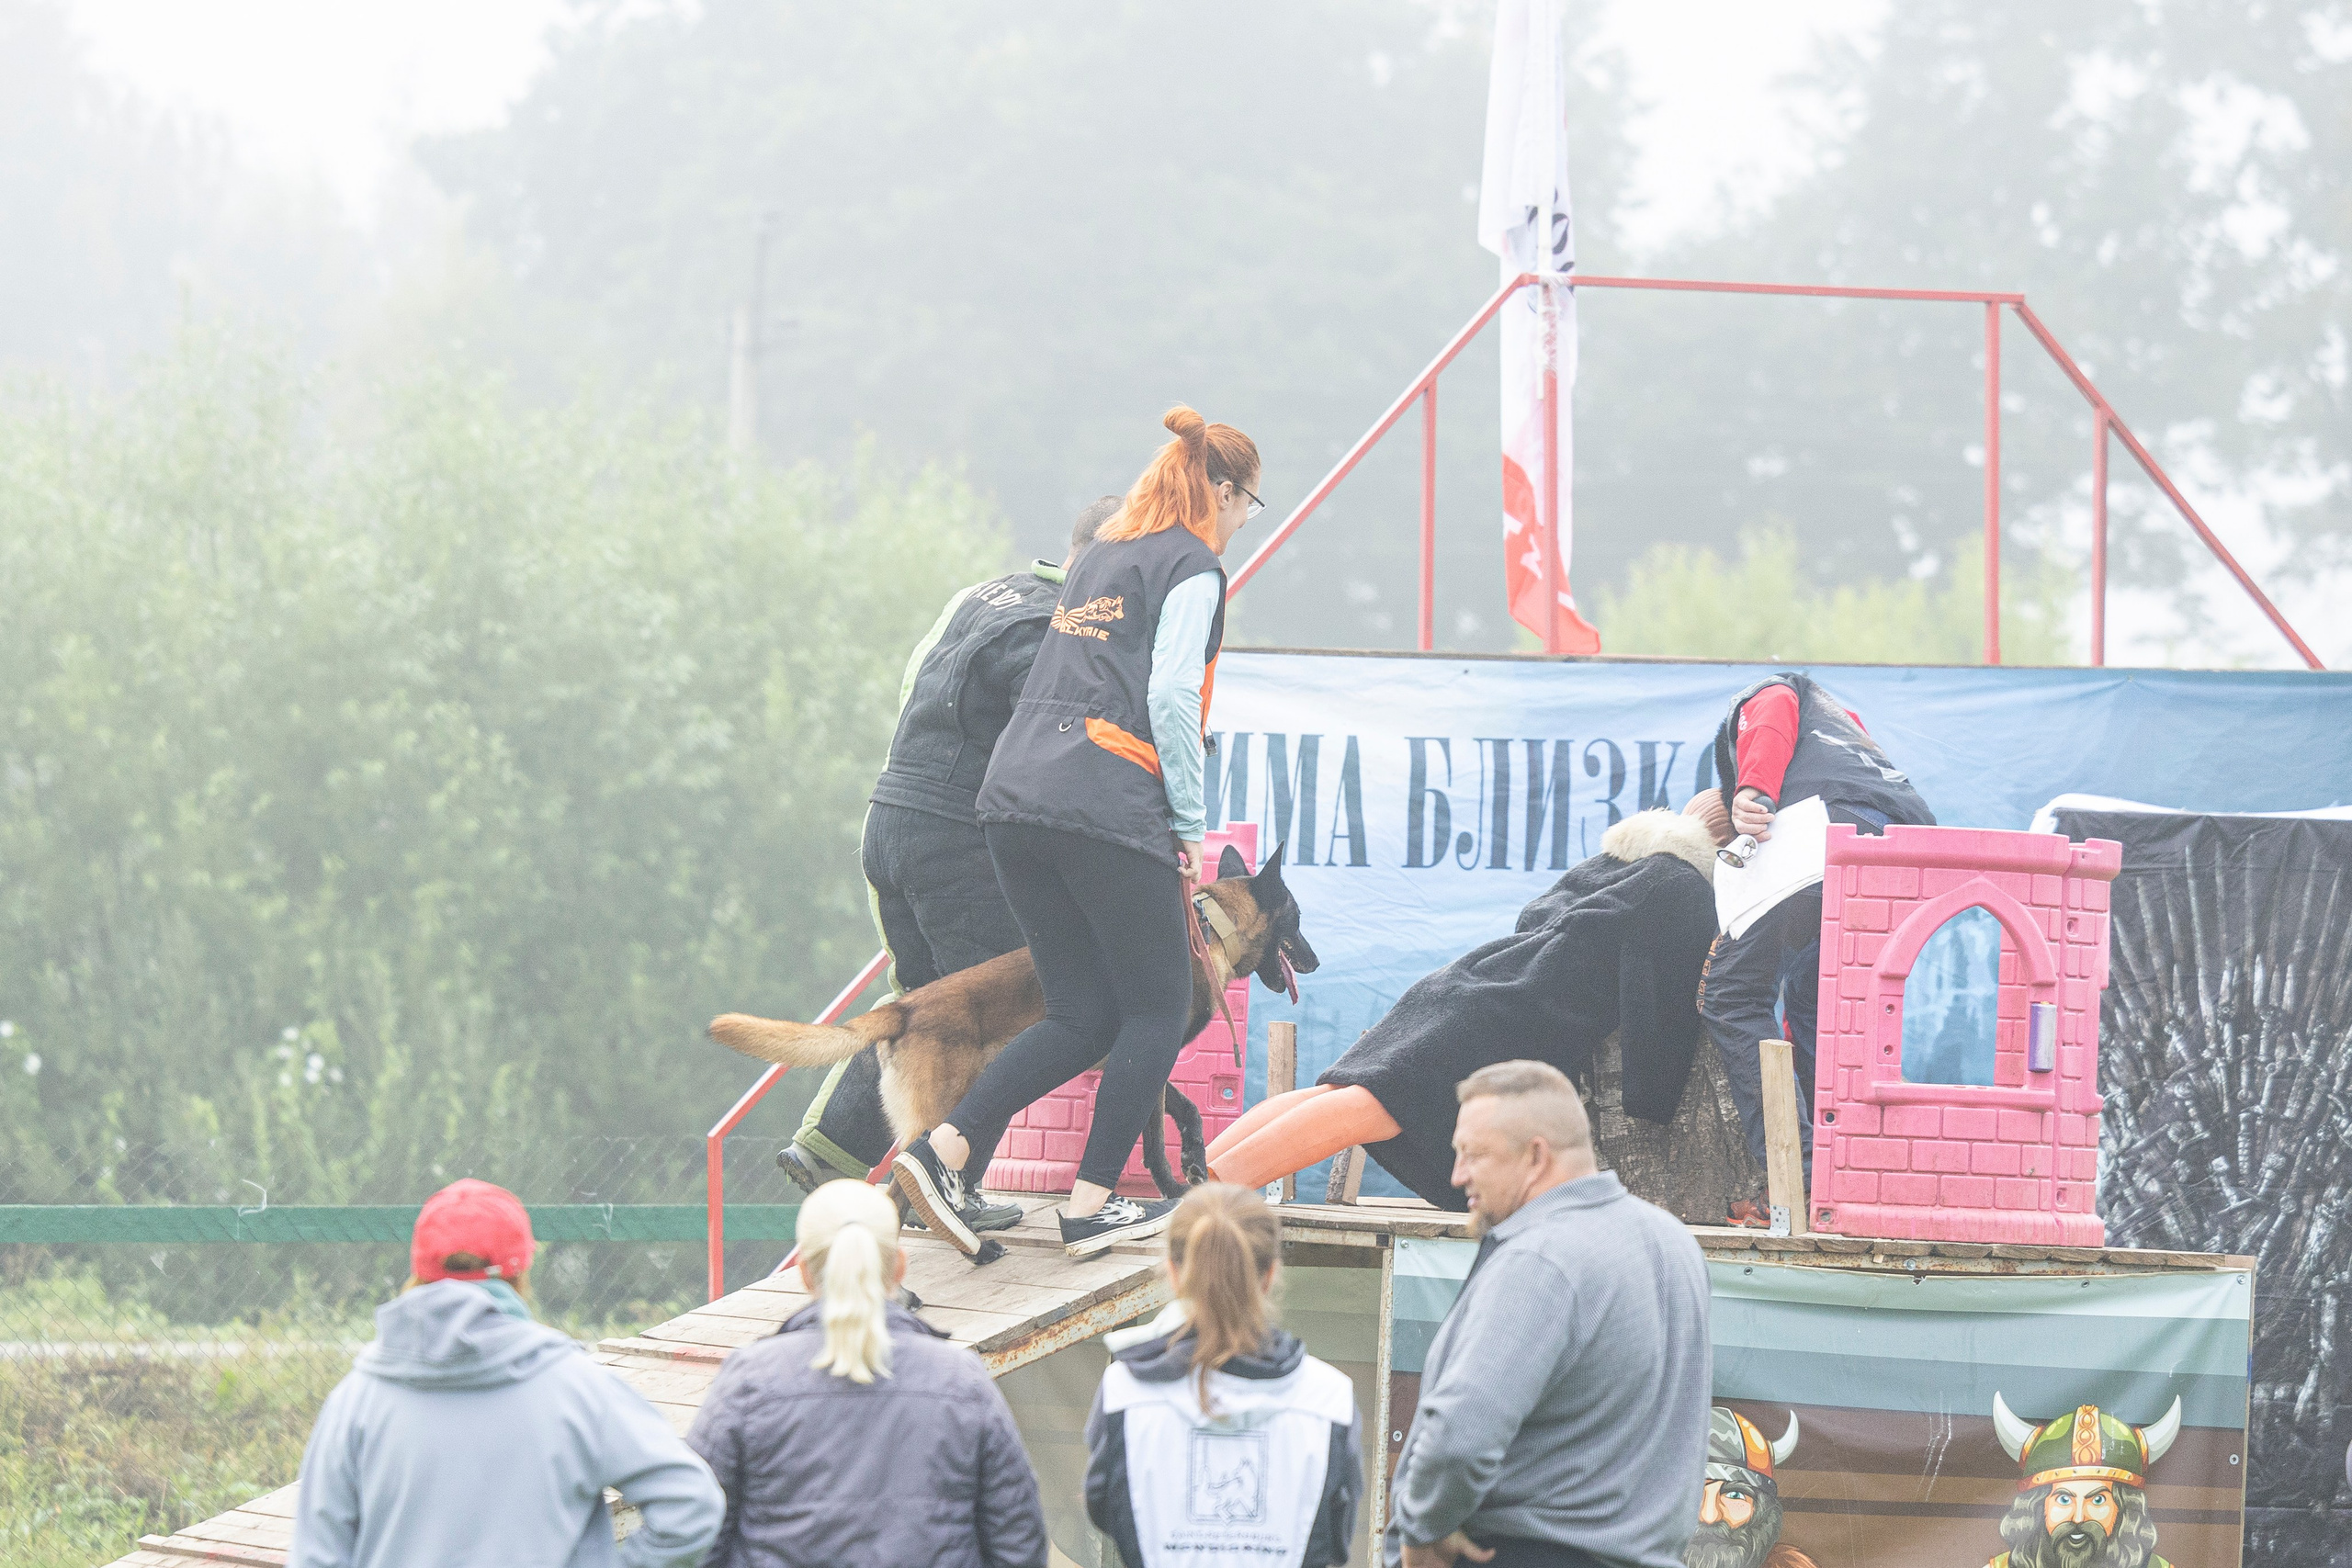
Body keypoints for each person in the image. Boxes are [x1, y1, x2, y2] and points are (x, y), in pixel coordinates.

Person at [892, 404, 1261, 1258]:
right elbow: (1171, 695)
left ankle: (941, 1154)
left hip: (1013, 802)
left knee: (1082, 1012)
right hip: (1104, 801)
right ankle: (1092, 1204)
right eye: (1248, 503)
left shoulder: (1099, 555)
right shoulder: (1193, 567)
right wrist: (1189, 824)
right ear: (1221, 490)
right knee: (1158, 1007)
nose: (1245, 520)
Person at [782, 499, 1125, 1239]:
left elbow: (914, 688)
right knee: (988, 1013)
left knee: (921, 1005)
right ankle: (950, 1187)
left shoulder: (980, 595)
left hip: (889, 817)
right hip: (960, 839)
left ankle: (828, 1147)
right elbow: (1053, 753)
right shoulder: (1063, 631)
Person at [1205, 804, 1722, 1208]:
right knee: (1373, 1106)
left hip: (1466, 982)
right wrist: (1653, 1098)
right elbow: (1657, 1000)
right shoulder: (1685, 888)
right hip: (1516, 1016)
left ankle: (1190, 1181)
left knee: (1340, 1093)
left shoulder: (1610, 865)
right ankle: (1198, 1199)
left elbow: (1532, 917)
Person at [289, 1179, 723, 1568]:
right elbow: (691, 1505)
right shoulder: (573, 1387)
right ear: (520, 1271)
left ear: (418, 1270)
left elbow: (317, 1555)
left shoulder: (357, 1401)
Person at [1386, 1061, 1711, 1568]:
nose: (1457, 1175)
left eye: (1474, 1154)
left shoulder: (1540, 1257)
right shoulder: (1673, 1242)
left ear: (1536, 1156)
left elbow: (1460, 1440)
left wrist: (1423, 1530)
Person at [685, 1179, 1047, 1568]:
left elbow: (696, 1533)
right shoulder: (961, 1380)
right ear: (900, 1267)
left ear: (804, 1273)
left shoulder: (749, 1381)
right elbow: (1018, 1541)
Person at [1693, 672, 1935, 1214]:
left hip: (1822, 832)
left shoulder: (1776, 691)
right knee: (1817, 997)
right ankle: (1849, 1168)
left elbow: (1774, 705)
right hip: (1909, 849)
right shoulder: (1844, 728)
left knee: (1731, 995)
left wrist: (1753, 790)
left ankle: (1798, 1177)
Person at [1084, 1183, 1362, 1568]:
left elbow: (1104, 1508)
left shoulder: (1123, 1392)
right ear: (1270, 1275)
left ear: (1174, 1273)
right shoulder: (1329, 1399)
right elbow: (1336, 1537)